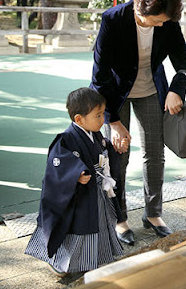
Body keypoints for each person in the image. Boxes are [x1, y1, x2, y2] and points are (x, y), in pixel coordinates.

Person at [90, 0, 186, 244]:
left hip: (151, 90)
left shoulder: (168, 19)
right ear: (139, 8)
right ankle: (119, 218)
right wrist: (112, 121)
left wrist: (176, 89)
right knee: (117, 156)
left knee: (155, 153)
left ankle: (153, 212)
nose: (162, 25)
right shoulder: (113, 20)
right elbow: (100, 76)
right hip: (115, 94)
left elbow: (183, 57)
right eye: (157, 21)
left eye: (165, 21)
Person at [25, 88, 123, 276]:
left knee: (101, 223)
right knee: (76, 231)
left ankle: (96, 258)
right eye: (98, 115)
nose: (102, 120)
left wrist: (114, 148)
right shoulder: (66, 139)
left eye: (102, 114)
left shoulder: (95, 135)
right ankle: (60, 263)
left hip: (96, 192)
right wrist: (75, 174)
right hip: (79, 197)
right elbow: (58, 165)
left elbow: (102, 152)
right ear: (79, 119)